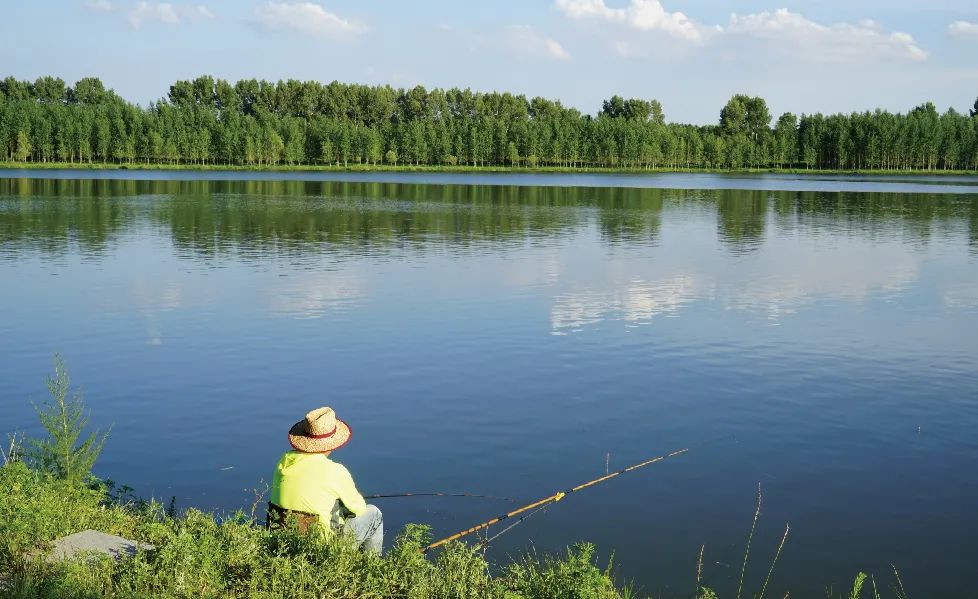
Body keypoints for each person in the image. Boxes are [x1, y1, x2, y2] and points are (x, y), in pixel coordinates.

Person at [268, 406, 383, 555]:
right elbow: (359, 508)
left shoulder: (283, 463)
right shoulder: (335, 471)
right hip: (322, 551)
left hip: (283, 544)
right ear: (332, 443)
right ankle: (371, 566)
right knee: (374, 513)